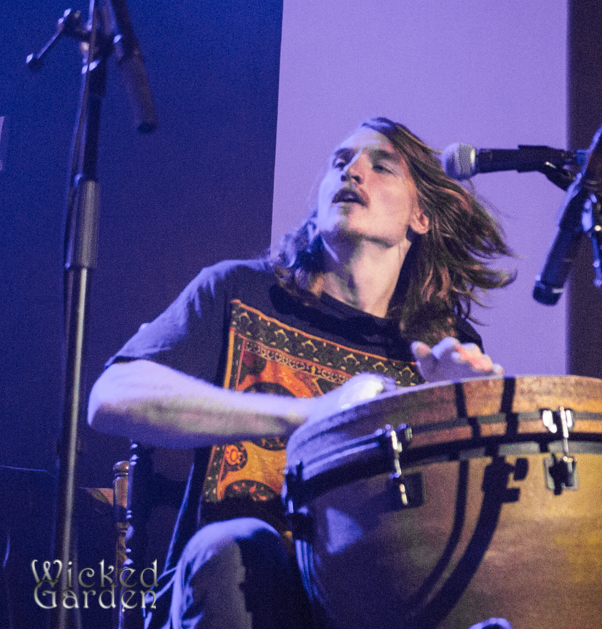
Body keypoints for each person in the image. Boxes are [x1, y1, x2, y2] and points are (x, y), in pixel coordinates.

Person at [87, 117, 515, 629]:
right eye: (340, 162)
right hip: (241, 587)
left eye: (381, 167)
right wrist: (311, 415)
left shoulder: (439, 348)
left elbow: (453, 531)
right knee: (237, 545)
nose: (352, 171)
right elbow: (111, 396)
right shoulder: (239, 291)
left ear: (420, 216)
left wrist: (459, 408)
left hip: (373, 598)